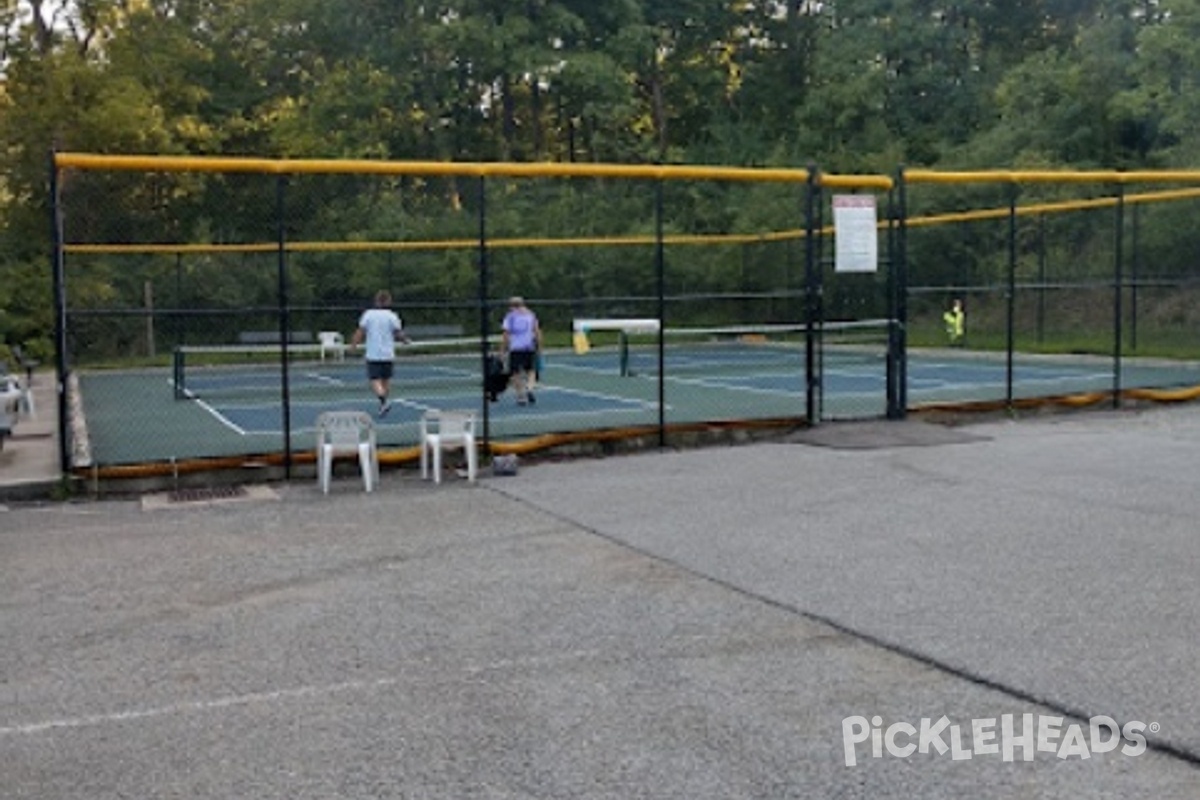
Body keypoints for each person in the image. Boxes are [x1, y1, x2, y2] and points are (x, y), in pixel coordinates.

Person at [350, 290, 409, 416]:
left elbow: (360, 331)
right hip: (387, 354)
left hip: (374, 354)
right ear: (388, 301)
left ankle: (382, 400)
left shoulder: (368, 315)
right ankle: (383, 403)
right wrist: (405, 340)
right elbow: (398, 333)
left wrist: (353, 345)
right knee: (385, 380)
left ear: (376, 301)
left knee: (375, 379)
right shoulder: (392, 316)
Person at [501, 296, 542, 405]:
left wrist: (503, 350)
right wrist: (539, 346)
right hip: (529, 347)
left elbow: (506, 334)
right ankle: (529, 388)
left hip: (516, 348)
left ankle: (520, 395)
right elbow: (537, 331)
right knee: (531, 370)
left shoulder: (510, 317)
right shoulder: (531, 315)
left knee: (515, 373)